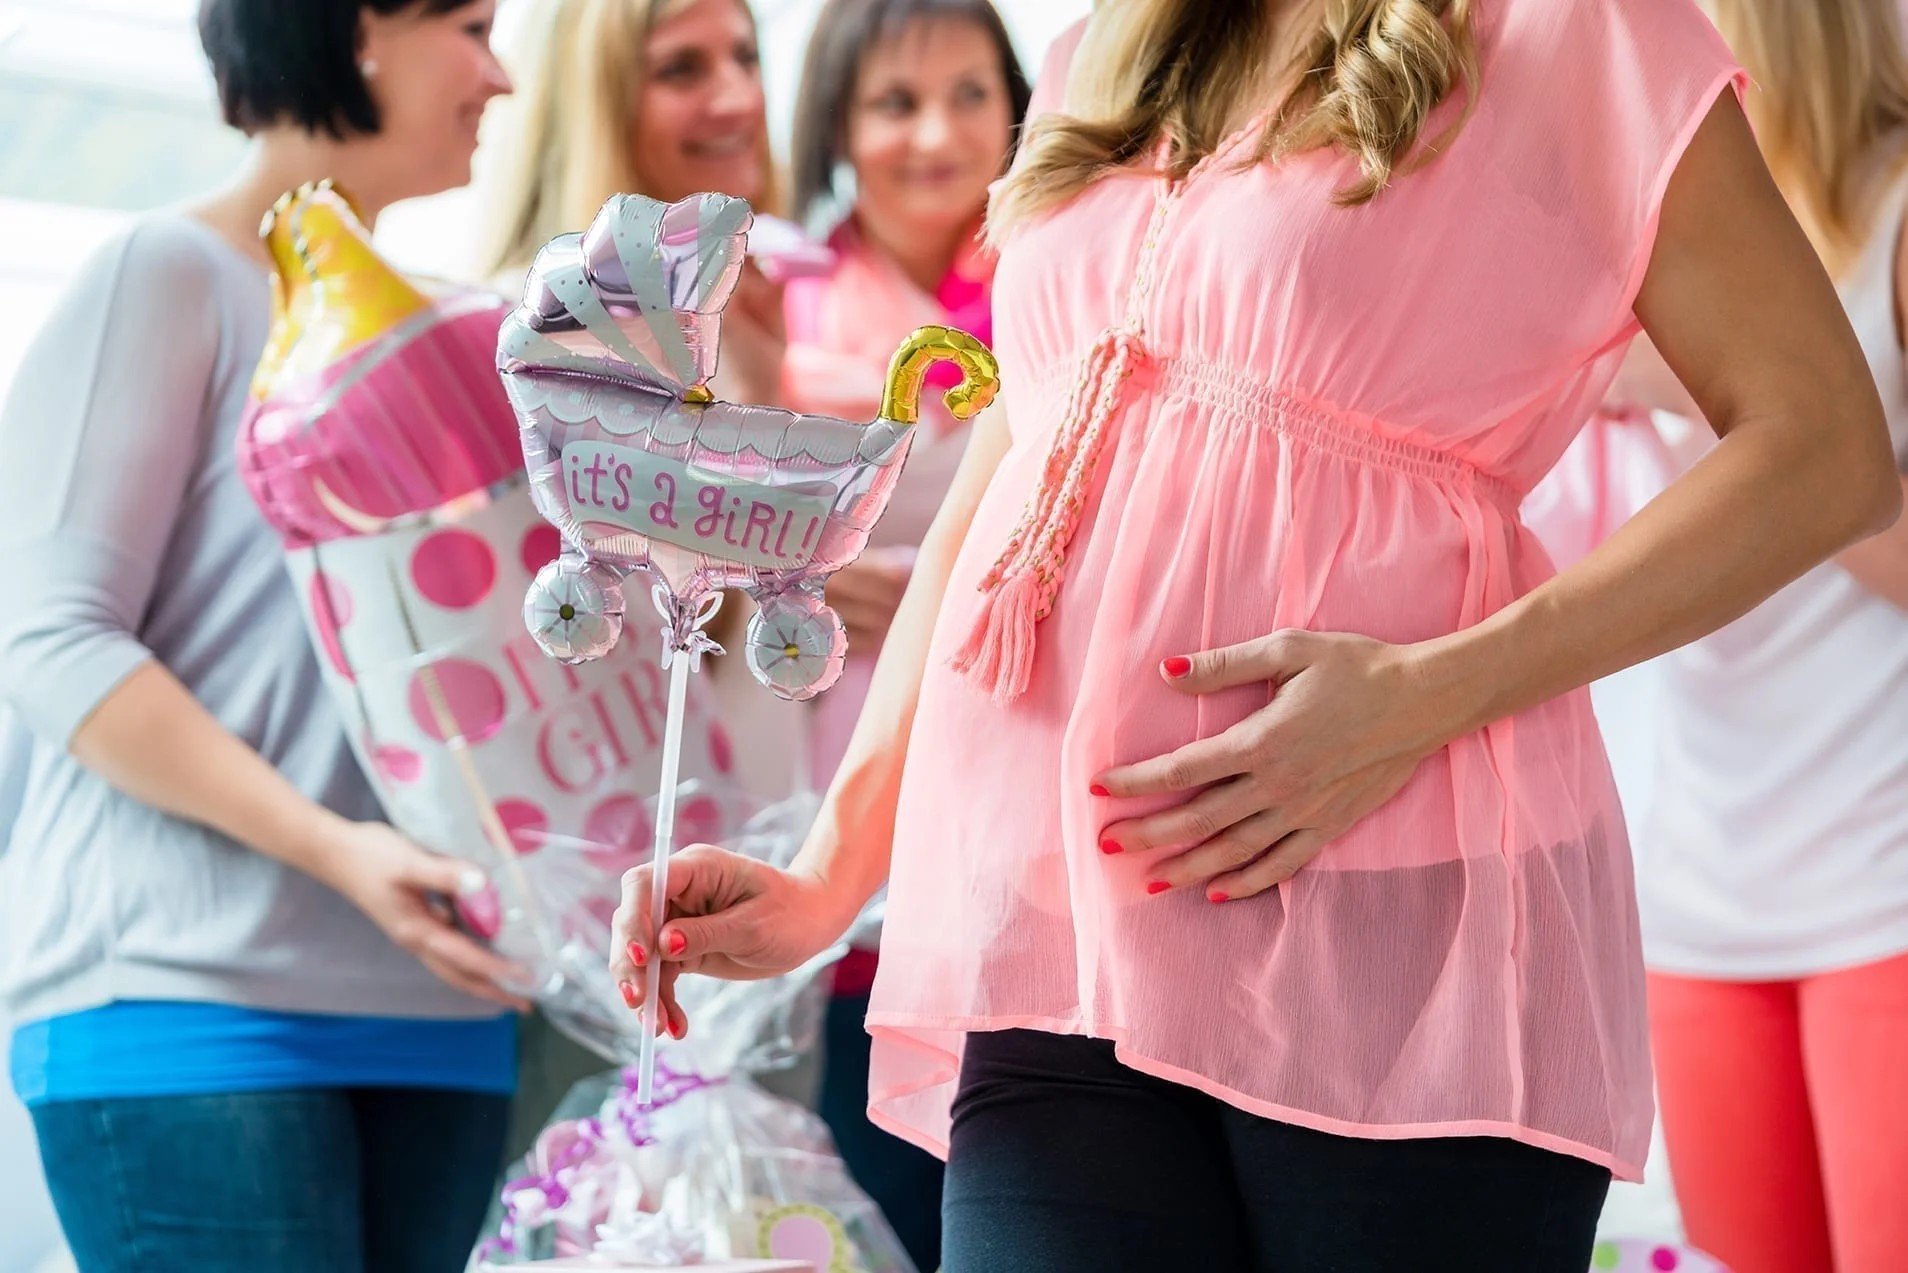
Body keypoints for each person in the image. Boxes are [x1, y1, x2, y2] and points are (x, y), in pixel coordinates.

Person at [612, 0, 1908, 1268]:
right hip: (1064, 929)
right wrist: (833, 871)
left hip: (1398, 923)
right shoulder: (1096, 52)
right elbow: (1020, 491)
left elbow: (1823, 453)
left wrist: (1425, 692)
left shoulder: (1578, 32)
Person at [0, 3, 519, 1270]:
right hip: (187, 1003)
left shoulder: (455, 334)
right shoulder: (168, 272)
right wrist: (339, 854)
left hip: (440, 1008)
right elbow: (52, 638)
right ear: (355, 34)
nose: (501, 76)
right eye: (469, 25)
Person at [1594, 3, 1908, 1270]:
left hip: (1885, 887)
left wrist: (1762, 424)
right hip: (1700, 901)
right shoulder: (1648, 227)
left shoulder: (1895, 214)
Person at [471, 0, 793, 1158]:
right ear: (597, 99)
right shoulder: (527, 342)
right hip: (578, 926)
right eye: (680, 69)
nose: (735, 96)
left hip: (758, 903)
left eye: (746, 58)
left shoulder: (770, 305)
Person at [779, 1, 1028, 1263]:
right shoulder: (771, 305)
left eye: (971, 94)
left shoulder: (1065, 278)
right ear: (834, 121)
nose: (937, 134)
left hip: (1015, 817)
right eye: (893, 103)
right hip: (832, 821)